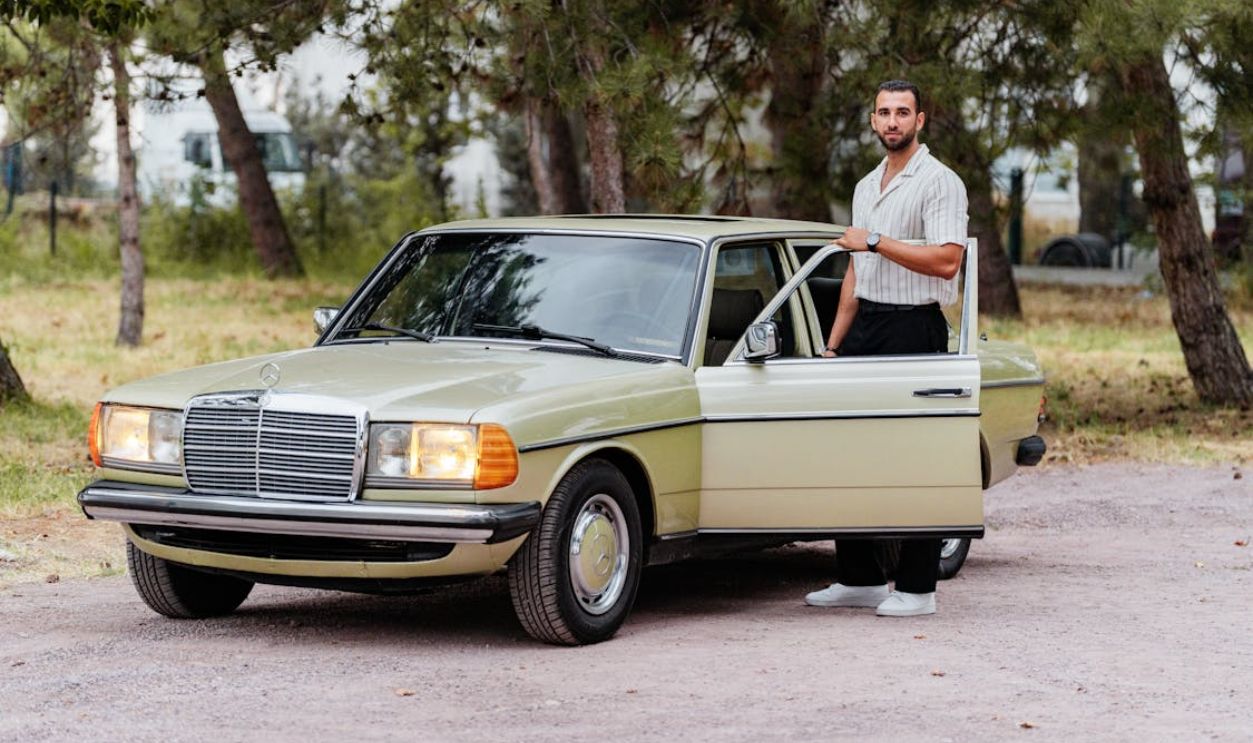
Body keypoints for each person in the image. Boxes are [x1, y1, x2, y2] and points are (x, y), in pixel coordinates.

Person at [804, 79, 968, 617]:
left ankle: (918, 589)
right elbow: (856, 272)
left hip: (915, 326)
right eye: (883, 112)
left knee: (914, 457)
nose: (892, 121)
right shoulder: (865, 186)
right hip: (866, 325)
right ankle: (861, 578)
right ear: (873, 121)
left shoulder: (940, 182)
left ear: (920, 120)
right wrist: (833, 346)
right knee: (850, 452)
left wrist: (874, 240)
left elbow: (947, 261)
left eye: (902, 112)